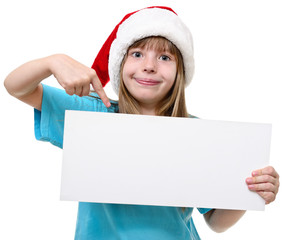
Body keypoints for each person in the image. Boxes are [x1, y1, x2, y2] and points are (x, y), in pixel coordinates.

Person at [4, 6, 280, 240]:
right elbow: (16, 87)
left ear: (180, 72)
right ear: (120, 64)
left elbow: (216, 222)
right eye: (137, 54)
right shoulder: (91, 116)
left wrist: (250, 192)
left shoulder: (197, 133)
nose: (149, 66)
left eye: (164, 57)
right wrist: (52, 62)